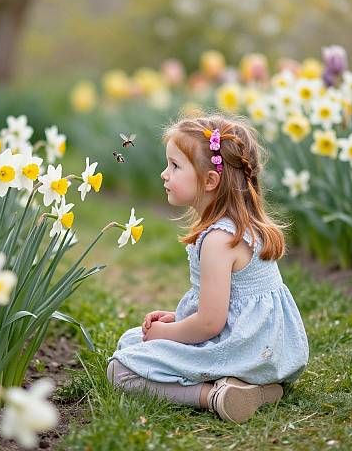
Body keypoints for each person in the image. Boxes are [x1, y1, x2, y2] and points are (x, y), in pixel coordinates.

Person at [107, 114, 309, 423]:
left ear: (210, 181)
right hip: (272, 349)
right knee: (131, 341)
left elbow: (210, 324)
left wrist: (168, 333)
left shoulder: (218, 240)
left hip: (245, 348)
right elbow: (228, 308)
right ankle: (254, 386)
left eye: (175, 166)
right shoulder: (240, 229)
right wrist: (176, 320)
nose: (164, 174)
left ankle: (215, 396)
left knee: (121, 369)